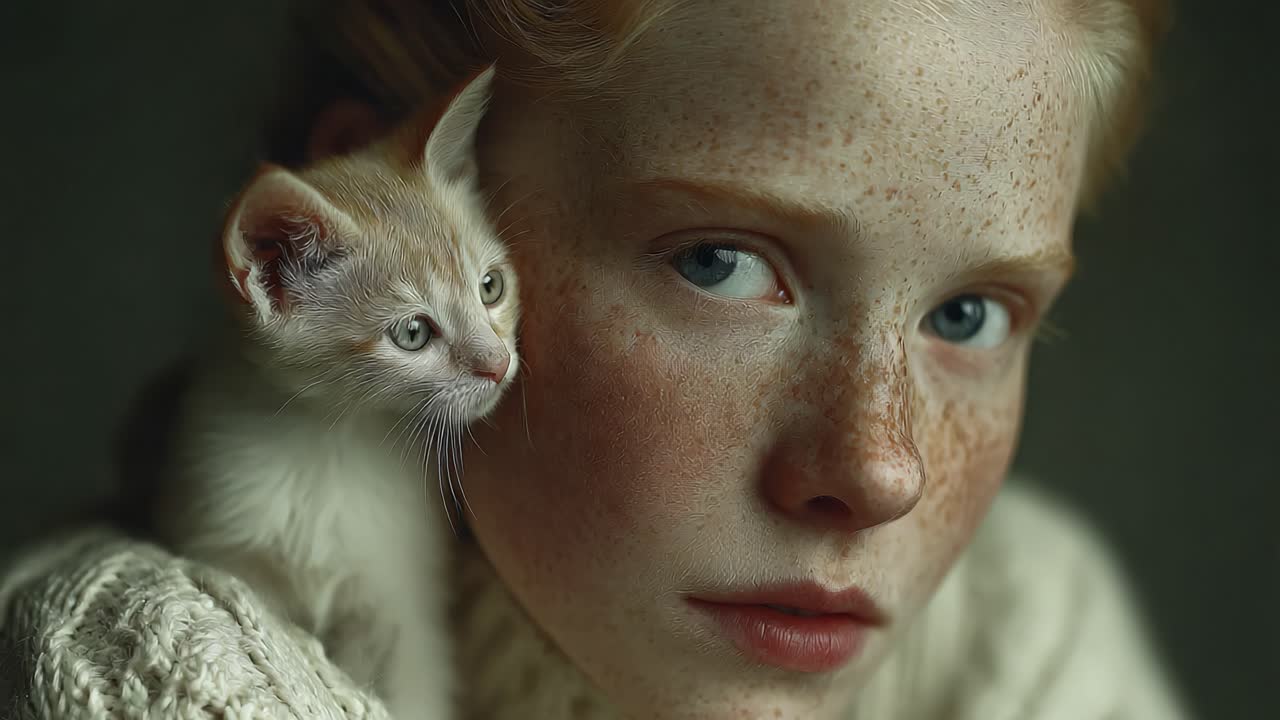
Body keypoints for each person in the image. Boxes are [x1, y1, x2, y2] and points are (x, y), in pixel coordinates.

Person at [0, 1, 1189, 718]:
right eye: (720, 262)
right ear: (408, 186)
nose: (879, 473)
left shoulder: (1028, 627)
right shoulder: (142, 663)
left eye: (970, 314)